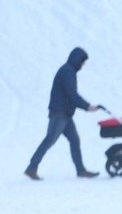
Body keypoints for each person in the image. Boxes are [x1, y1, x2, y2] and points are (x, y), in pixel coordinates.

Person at [25, 47, 100, 180]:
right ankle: (31, 168)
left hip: (65, 114)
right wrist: (87, 106)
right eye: (83, 61)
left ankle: (81, 170)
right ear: (77, 59)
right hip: (59, 113)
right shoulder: (67, 72)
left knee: (74, 140)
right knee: (50, 140)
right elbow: (72, 95)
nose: (83, 65)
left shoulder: (69, 71)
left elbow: (70, 95)